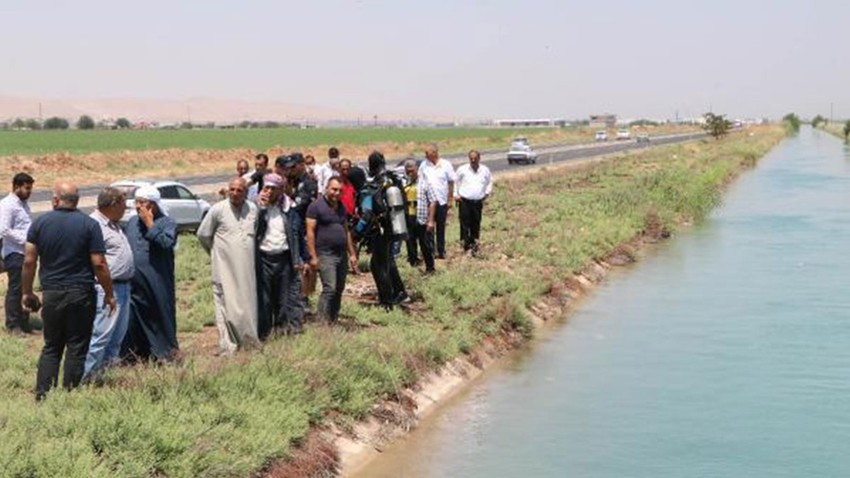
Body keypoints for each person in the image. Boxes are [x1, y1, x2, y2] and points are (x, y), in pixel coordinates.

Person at [22, 182, 115, 400]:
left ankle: (43, 395)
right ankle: (70, 395)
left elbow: (28, 261)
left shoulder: (40, 223)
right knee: (77, 346)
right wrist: (109, 293)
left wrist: (27, 292)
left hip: (52, 293)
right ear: (77, 201)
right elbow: (99, 263)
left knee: (52, 346)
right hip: (81, 292)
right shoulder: (89, 225)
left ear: (56, 200)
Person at [197, 178, 260, 355]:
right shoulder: (218, 210)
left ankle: (249, 341)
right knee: (225, 303)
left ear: (246, 193)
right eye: (231, 189)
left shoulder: (253, 209)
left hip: (246, 268)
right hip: (224, 267)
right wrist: (217, 253)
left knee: (247, 303)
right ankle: (228, 345)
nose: (234, 193)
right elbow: (203, 235)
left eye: (239, 190)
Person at [122, 186, 179, 362]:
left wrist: (150, 224)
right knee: (133, 316)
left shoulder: (167, 223)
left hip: (157, 280)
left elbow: (165, 243)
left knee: (159, 314)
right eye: (136, 202)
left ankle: (164, 353)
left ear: (153, 205)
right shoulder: (132, 222)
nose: (138, 206)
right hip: (134, 281)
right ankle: (134, 354)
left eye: (142, 202)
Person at [84, 187, 135, 379]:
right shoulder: (94, 224)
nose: (125, 208)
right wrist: (108, 291)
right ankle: (88, 377)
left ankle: (105, 376)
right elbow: (96, 260)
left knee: (116, 337)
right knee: (101, 335)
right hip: (107, 288)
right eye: (123, 204)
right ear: (113, 204)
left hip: (123, 286)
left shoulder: (113, 224)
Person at [353, 152, 408, 308]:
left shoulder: (376, 184)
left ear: (371, 165)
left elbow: (368, 212)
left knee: (378, 265)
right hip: (393, 226)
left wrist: (357, 232)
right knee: (387, 261)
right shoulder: (393, 179)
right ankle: (399, 292)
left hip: (381, 229)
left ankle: (387, 301)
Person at [255, 173, 303, 337]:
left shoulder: (289, 208)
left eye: (273, 189)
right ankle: (265, 331)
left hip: (284, 257)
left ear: (281, 190)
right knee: (265, 298)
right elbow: (254, 231)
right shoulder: (256, 207)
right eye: (266, 187)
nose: (268, 192)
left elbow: (296, 234)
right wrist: (261, 209)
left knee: (284, 298)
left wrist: (299, 258)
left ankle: (282, 329)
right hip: (263, 258)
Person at [306, 177, 358, 322]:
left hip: (341, 254)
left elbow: (346, 230)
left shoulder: (341, 207)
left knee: (339, 289)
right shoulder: (315, 206)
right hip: (325, 254)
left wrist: (352, 253)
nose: (337, 193)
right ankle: (321, 321)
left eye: (340, 191)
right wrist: (313, 256)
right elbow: (310, 232)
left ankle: (332, 319)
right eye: (334, 189)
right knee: (330, 288)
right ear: (327, 188)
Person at [0, 172, 34, 334]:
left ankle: (24, 322)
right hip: (14, 252)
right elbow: (4, 230)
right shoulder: (7, 205)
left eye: (30, 188)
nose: (29, 192)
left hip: (27, 252)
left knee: (25, 288)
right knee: (16, 288)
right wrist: (25, 241)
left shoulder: (24, 204)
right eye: (26, 188)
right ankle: (13, 325)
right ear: (16, 187)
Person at [418, 144, 456, 259]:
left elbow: (451, 182)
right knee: (429, 227)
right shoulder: (424, 165)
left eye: (428, 154)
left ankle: (441, 250)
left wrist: (450, 198)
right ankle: (431, 250)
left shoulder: (446, 164)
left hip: (442, 200)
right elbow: (420, 180)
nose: (426, 156)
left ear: (435, 153)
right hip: (428, 202)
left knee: (441, 227)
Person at [454, 149, 492, 256]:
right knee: (465, 223)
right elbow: (455, 182)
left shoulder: (485, 170)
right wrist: (455, 195)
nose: (473, 160)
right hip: (464, 201)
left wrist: (487, 193)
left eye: (475, 158)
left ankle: (475, 243)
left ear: (479, 158)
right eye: (471, 159)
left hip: (478, 202)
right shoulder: (462, 169)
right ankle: (466, 245)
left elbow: (489, 182)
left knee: (476, 222)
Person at [404, 159, 436, 273]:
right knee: (410, 244)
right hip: (408, 218)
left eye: (412, 170)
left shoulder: (425, 183)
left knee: (425, 244)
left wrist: (431, 220)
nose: (410, 173)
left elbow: (432, 202)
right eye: (408, 171)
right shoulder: (405, 184)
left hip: (421, 217)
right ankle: (414, 266)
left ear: (417, 169)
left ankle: (430, 268)